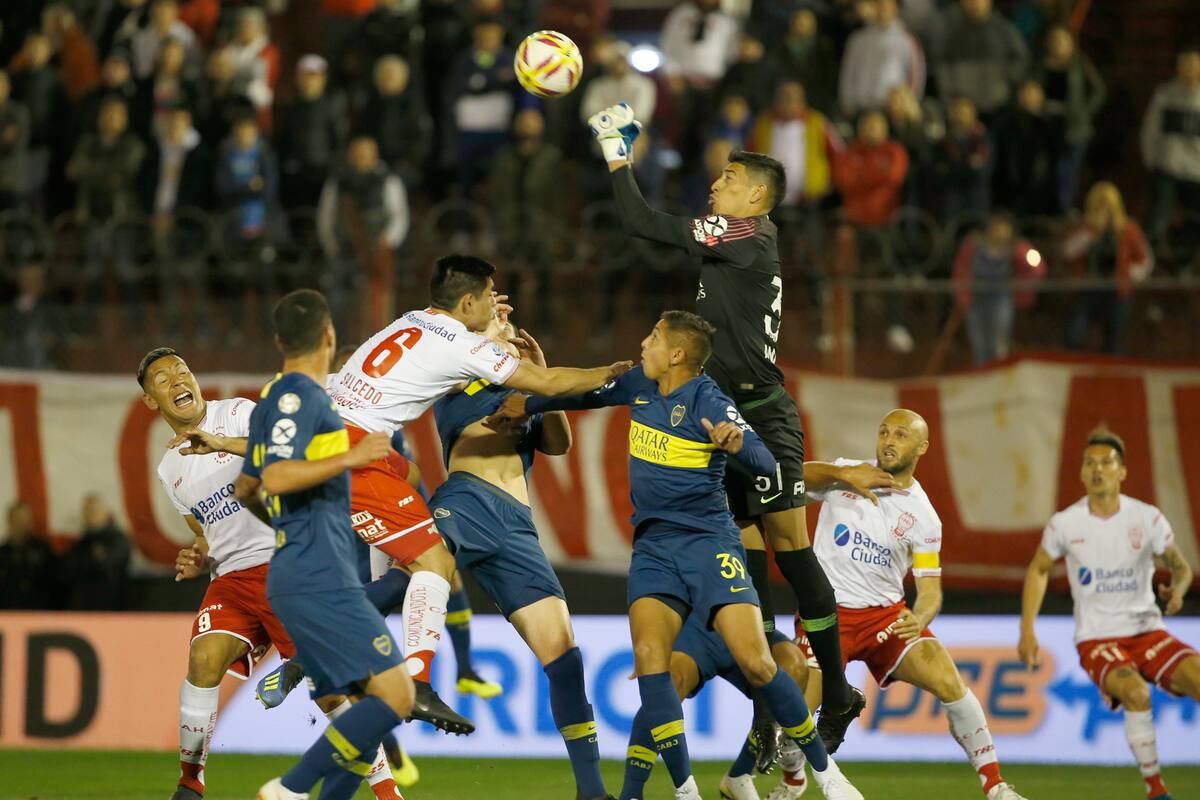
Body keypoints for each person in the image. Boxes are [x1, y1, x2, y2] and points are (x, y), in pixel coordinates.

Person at [491, 312, 862, 800]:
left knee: (758, 663)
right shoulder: (638, 386)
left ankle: (826, 776)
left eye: (653, 338)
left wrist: (738, 448)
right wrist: (529, 403)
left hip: (709, 543)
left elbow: (767, 466)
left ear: (677, 355)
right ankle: (686, 790)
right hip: (652, 547)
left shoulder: (709, 400)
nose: (643, 344)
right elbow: (583, 395)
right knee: (650, 660)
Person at [587, 103, 864, 751]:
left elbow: (640, 221)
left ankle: (838, 688)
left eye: (731, 177)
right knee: (744, 557)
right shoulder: (737, 237)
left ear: (758, 195)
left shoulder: (749, 233)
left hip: (763, 416)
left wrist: (615, 152)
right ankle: (770, 709)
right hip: (723, 415)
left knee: (790, 552)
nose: (717, 182)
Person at [322, 255, 633, 735]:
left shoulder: (417, 322)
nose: (501, 311)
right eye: (491, 299)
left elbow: (557, 439)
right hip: (454, 492)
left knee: (554, 648)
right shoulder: (467, 374)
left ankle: (589, 788)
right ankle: (364, 660)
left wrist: (497, 332)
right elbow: (540, 385)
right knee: (430, 566)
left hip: (498, 516)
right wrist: (611, 374)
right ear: (468, 303)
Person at [142, 346, 404, 800]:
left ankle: (387, 792)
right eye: (163, 380)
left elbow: (283, 452)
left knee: (331, 694)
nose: (178, 380)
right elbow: (205, 532)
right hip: (231, 581)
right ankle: (190, 783)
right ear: (151, 401)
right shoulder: (170, 469)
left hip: (286, 565)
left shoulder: (240, 414)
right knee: (202, 664)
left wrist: (221, 443)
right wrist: (197, 554)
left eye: (182, 370)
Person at [775, 410, 1027, 800]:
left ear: (922, 447)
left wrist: (920, 616)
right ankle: (794, 779)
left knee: (949, 680)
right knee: (798, 715)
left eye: (902, 435)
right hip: (829, 617)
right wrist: (842, 475)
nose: (889, 441)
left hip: (886, 618)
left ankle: (995, 786)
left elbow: (930, 589)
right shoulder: (846, 473)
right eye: (884, 432)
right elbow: (791, 477)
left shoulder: (924, 517)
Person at [235, 290, 414, 800]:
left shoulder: (270, 398)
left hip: (300, 571)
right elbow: (276, 475)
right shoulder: (300, 397)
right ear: (331, 336)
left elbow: (246, 489)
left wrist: (288, 529)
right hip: (321, 575)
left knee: (362, 713)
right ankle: (289, 790)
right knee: (396, 696)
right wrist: (349, 461)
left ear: (278, 340)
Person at [427, 316, 612, 799]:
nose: (509, 325)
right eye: (498, 318)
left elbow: (559, 444)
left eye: (510, 320)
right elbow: (487, 412)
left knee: (565, 658)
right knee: (418, 576)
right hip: (466, 499)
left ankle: (591, 791)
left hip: (517, 529)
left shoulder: (522, 390)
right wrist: (529, 377)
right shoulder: (456, 380)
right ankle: (307, 649)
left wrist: (541, 377)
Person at [1019, 428, 1199, 800]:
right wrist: (1027, 631)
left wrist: (1178, 592)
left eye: (1106, 462)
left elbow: (1181, 567)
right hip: (1097, 638)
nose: (1097, 469)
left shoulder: (1146, 518)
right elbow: (1038, 569)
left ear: (1122, 471)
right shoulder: (1065, 524)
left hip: (1149, 631)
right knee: (1136, 693)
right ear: (1082, 473)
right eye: (1089, 463)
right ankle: (1157, 791)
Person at [624, 613, 813, 800]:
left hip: (742, 622)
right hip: (694, 628)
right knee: (668, 685)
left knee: (793, 667)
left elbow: (763, 591)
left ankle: (740, 775)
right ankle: (631, 793)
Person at [1062, 181, 1152, 354]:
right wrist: (1091, 233)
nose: (1104, 212)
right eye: (1099, 207)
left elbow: (1146, 259)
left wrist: (1129, 275)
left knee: (1113, 342)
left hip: (1117, 292)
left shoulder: (1128, 229)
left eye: (1108, 208)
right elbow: (1067, 251)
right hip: (1089, 288)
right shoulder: (1086, 229)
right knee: (1073, 336)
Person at [952, 210, 1043, 365]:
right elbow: (960, 270)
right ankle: (981, 376)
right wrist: (962, 296)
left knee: (998, 344)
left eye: (1003, 228)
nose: (999, 231)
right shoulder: (974, 245)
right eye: (996, 227)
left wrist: (1022, 250)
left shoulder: (1016, 248)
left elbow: (1037, 268)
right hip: (976, 300)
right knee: (979, 344)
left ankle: (999, 377)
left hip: (1001, 299)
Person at [1032, 25, 1106, 214]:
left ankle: (1066, 209)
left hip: (1073, 126)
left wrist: (1084, 111)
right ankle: (1043, 211)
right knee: (1043, 169)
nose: (1057, 45)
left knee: (1067, 171)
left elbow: (1098, 91)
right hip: (1047, 121)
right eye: (1054, 40)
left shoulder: (1079, 65)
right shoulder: (1041, 65)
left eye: (1062, 41)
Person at [1141, 43, 1200, 243]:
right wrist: (1152, 159)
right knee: (1159, 217)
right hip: (1168, 164)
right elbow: (1150, 130)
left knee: (1193, 219)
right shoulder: (1165, 94)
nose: (1188, 68)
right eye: (1183, 63)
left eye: (1192, 63)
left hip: (1196, 170)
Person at [933, 0, 1029, 122]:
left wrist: (1005, 85)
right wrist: (953, 98)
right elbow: (943, 68)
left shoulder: (1004, 30)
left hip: (1000, 108)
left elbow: (1020, 59)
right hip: (963, 112)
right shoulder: (951, 34)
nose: (976, 4)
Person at [276, 54, 347, 211]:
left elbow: (339, 140)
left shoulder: (333, 106)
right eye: (304, 75)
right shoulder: (290, 107)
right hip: (295, 174)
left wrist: (333, 167)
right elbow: (282, 139)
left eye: (314, 76)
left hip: (323, 172)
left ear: (323, 78)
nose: (309, 80)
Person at [838, 0, 925, 118]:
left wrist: (910, 103)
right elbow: (848, 72)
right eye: (878, 4)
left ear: (896, 8)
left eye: (887, 5)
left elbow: (916, 75)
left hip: (892, 108)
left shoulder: (906, 40)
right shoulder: (858, 39)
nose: (882, 10)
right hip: (861, 106)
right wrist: (847, 102)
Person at [62, 494, 131, 611]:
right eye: (87, 511)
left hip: (112, 608)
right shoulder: (80, 544)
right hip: (83, 608)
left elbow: (109, 567)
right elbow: (69, 572)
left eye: (94, 511)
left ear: (106, 513)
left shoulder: (118, 540)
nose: (90, 515)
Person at [0, 499, 57, 610]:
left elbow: (54, 584)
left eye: (25, 519)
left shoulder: (43, 550)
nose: (21, 524)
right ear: (10, 521)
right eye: (18, 519)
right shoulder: (2, 553)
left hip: (38, 612)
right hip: (8, 614)